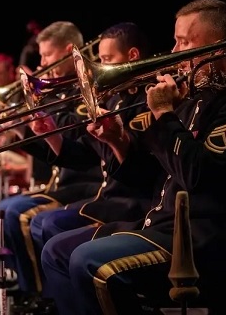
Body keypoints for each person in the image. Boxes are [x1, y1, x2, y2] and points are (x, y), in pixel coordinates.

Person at [38, 0, 226, 314]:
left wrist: (165, 115)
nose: (173, 53)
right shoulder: (190, 101)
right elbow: (147, 179)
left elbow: (200, 178)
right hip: (160, 227)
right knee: (56, 251)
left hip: (203, 244)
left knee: (88, 262)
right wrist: (118, 141)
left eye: (183, 42)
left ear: (218, 50)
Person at [27, 21, 155, 299]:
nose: (99, 66)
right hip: (111, 199)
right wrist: (51, 134)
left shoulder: (148, 99)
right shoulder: (116, 99)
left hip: (134, 204)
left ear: (132, 56)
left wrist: (115, 140)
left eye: (107, 60)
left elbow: (140, 173)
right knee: (47, 227)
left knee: (50, 227)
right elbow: (83, 154)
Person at [0, 21, 103, 303]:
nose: (41, 63)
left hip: (87, 183)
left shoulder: (84, 90)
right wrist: (21, 128)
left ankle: (42, 295)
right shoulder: (59, 93)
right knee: (4, 209)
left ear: (68, 51)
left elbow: (73, 130)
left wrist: (36, 113)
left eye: (47, 56)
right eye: (40, 56)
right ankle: (34, 291)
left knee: (17, 212)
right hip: (65, 181)